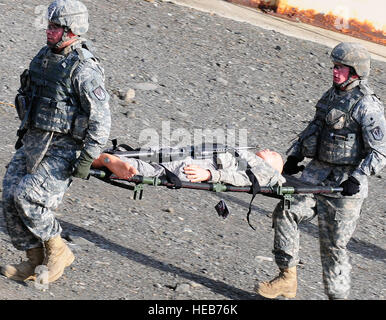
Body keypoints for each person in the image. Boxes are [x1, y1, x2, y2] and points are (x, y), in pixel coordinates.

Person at [255, 42, 386, 300]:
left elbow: (380, 151)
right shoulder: (330, 95)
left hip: (343, 186)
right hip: (316, 175)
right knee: (286, 211)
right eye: (335, 66)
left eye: (341, 68)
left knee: (334, 247)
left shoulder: (367, 106)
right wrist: (295, 154)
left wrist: (357, 178)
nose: (335, 71)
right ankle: (287, 279)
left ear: (356, 71)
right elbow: (315, 127)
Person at [1, 0, 111, 284]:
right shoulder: (45, 56)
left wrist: (87, 158)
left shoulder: (84, 69)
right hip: (34, 142)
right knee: (10, 196)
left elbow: (101, 119)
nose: (48, 31)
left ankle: (58, 249)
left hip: (64, 149)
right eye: (49, 25)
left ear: (71, 30)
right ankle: (34, 260)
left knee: (28, 195)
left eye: (54, 27)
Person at [92, 148, 284, 186]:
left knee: (159, 171)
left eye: (274, 154)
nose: (269, 149)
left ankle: (106, 159)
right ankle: (109, 158)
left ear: (273, 166)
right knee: (152, 156)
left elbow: (242, 180)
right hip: (200, 154)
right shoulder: (248, 155)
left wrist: (210, 175)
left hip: (204, 166)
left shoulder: (266, 172)